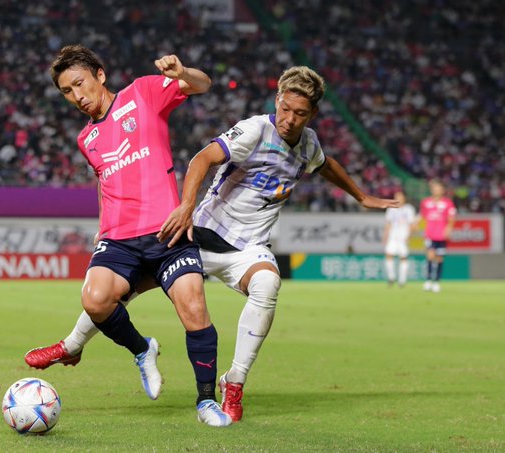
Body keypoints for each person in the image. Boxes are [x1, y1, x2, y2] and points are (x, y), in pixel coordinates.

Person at [25, 66, 398, 422]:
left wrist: (361, 196)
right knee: (120, 288)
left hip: (248, 248)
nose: (289, 119)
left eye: (299, 113)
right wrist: (186, 206)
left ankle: (233, 383)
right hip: (202, 234)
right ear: (277, 100)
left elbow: (325, 163)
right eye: (285, 108)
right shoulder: (255, 130)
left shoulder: (308, 144)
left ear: (312, 114)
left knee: (268, 284)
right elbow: (202, 158)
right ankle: (72, 345)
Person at [26, 45, 231, 427]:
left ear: (100, 75)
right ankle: (142, 350)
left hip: (167, 231)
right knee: (94, 299)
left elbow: (202, 84)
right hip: (119, 238)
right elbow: (104, 180)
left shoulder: (143, 93)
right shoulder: (86, 138)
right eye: (67, 91)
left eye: (80, 84)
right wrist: (102, 226)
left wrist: (183, 72)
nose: (77, 96)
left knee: (194, 307)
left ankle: (206, 401)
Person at [419, 179, 456, 293]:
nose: (437, 190)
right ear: (432, 190)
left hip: (441, 235)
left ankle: (437, 281)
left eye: (439, 188)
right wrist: (419, 228)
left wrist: (448, 229)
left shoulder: (448, 203)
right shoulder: (425, 202)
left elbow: (451, 219)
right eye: (435, 188)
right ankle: (428, 280)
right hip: (430, 234)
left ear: (443, 190)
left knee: (439, 258)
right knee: (430, 256)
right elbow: (422, 218)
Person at [382, 191, 416, 287]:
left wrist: (409, 236)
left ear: (404, 198)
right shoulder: (391, 209)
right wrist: (385, 237)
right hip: (393, 236)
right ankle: (391, 277)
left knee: (403, 257)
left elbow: (412, 225)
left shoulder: (409, 209)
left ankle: (402, 280)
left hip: (403, 237)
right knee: (389, 255)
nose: (398, 199)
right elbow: (388, 224)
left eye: (400, 197)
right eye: (396, 197)